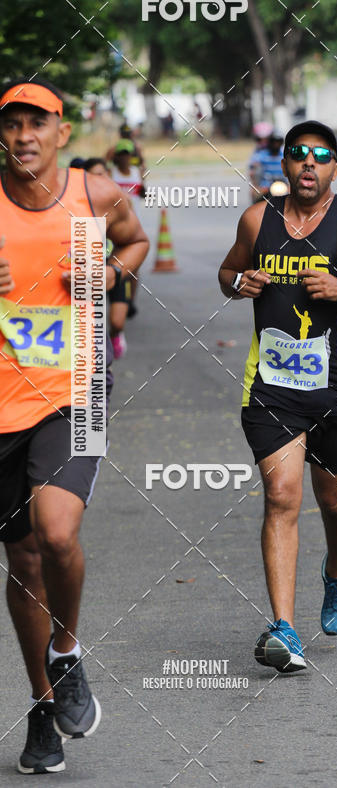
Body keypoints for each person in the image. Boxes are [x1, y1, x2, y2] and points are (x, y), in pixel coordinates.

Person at [218, 120, 337, 673]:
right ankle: (284, 629)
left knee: (334, 502)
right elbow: (227, 271)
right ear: (283, 163)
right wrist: (240, 284)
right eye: (298, 154)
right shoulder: (257, 219)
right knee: (282, 496)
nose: (309, 163)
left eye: (320, 156)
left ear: (334, 167)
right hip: (271, 389)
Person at [0, 77, 148, 773]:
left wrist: (106, 273)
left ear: (63, 132)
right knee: (22, 559)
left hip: (76, 389)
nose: (24, 135)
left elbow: (137, 242)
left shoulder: (93, 195)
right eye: (12, 124)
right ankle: (41, 707)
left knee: (56, 531)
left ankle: (67, 650)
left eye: (39, 123)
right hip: (2, 405)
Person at [84, 158, 132, 359]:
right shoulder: (78, 204)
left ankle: (114, 335)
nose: (100, 178)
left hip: (115, 267)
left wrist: (123, 267)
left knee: (118, 322)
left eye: (103, 173)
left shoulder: (119, 201)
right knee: (90, 327)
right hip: (89, 274)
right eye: (95, 174)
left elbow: (133, 239)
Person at [247, 129, 287, 204]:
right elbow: (254, 169)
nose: (276, 144)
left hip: (283, 185)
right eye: (274, 142)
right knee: (257, 196)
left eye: (278, 142)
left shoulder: (285, 156)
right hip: (265, 186)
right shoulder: (261, 155)